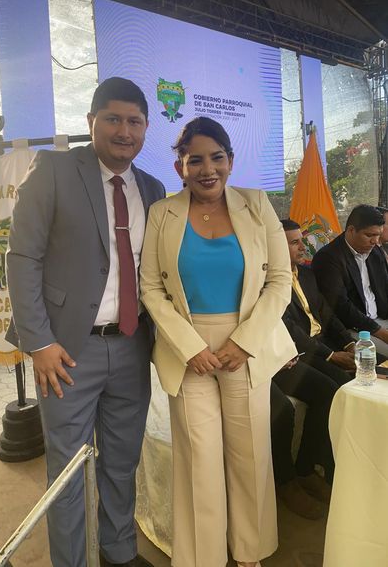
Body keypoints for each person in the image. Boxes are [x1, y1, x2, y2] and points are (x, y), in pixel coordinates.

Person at [6, 77, 165, 567]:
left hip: (133, 345)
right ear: (91, 122)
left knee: (122, 461)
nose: (124, 131)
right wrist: (38, 343)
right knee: (68, 472)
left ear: (146, 128)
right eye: (113, 119)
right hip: (67, 351)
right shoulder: (54, 170)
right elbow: (22, 257)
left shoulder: (153, 188)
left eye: (135, 121)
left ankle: (118, 552)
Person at [140, 117, 296, 567]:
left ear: (231, 159)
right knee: (200, 459)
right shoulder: (162, 213)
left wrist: (244, 342)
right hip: (188, 351)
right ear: (180, 166)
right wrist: (189, 347)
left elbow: (280, 281)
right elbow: (151, 287)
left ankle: (250, 551)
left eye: (217, 157)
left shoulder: (257, 205)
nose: (207, 169)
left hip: (245, 347)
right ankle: (202, 557)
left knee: (250, 454)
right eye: (195, 160)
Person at [281, 219, 355, 386]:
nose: (303, 247)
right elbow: (291, 329)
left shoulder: (306, 274)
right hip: (303, 349)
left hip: (325, 340)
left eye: (302, 240)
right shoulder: (269, 283)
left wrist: (349, 343)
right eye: (295, 243)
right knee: (344, 383)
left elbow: (326, 313)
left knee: (377, 364)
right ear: (275, 246)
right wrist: (331, 355)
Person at [311, 204, 388, 359]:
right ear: (351, 230)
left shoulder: (375, 251)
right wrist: (380, 332)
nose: (375, 241)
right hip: (354, 329)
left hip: (381, 319)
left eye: (378, 235)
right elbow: (341, 306)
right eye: (369, 235)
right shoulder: (328, 258)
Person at [271, 360, 338, 520]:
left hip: (271, 356)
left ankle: (305, 469)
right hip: (248, 364)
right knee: (282, 410)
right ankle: (285, 482)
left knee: (328, 392)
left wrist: (281, 351)